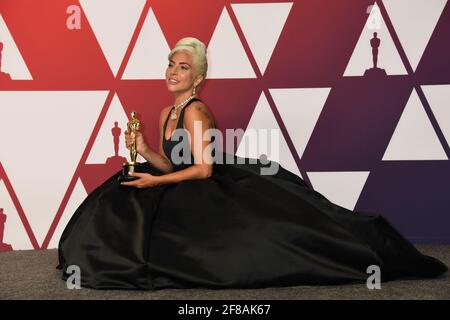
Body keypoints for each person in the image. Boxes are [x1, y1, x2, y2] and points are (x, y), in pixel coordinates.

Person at [57, 37, 447, 290]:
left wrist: (155, 184)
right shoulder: (164, 113)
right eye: (171, 65)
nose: (173, 72)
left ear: (198, 79)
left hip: (205, 184)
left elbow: (203, 170)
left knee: (264, 239)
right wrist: (142, 149)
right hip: (181, 181)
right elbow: (169, 164)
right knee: (122, 190)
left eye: (183, 68)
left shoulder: (195, 112)